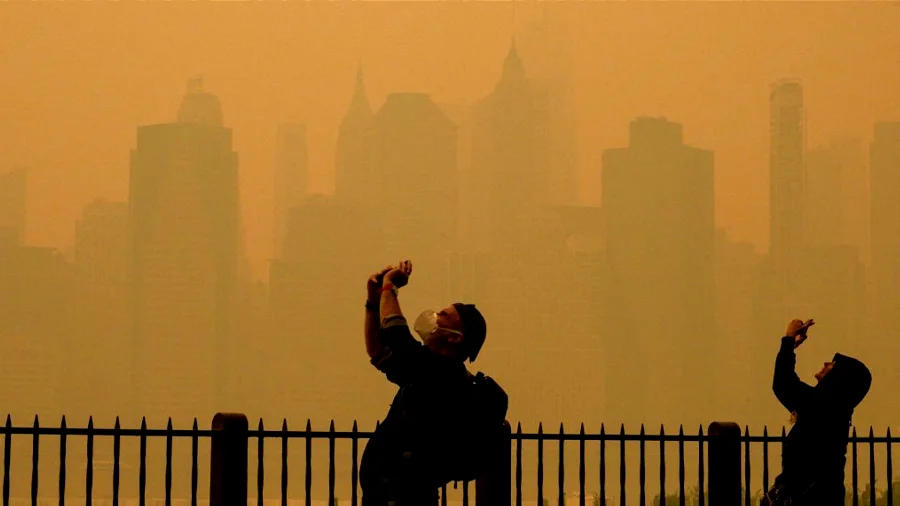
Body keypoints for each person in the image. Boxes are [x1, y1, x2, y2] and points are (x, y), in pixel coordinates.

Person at [359, 260, 506, 506]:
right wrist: (372, 301)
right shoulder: (425, 370)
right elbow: (378, 351)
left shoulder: (443, 375)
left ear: (454, 338)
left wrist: (389, 289)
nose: (434, 317)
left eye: (444, 315)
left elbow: (396, 335)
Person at [764, 318, 872, 506]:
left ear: (840, 379)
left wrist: (789, 340)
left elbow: (783, 384)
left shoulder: (825, 408)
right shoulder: (831, 409)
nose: (825, 364)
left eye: (832, 365)